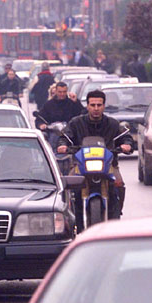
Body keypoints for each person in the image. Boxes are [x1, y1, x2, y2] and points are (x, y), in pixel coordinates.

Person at [57, 90, 133, 220]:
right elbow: (65, 136)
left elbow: (125, 137)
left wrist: (127, 145)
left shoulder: (113, 124)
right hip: (80, 165)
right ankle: (68, 215)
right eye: (92, 105)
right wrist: (63, 145)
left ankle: (116, 213)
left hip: (109, 165)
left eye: (99, 105)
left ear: (104, 106)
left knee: (118, 183)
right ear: (87, 106)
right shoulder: (76, 123)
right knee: (68, 185)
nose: (96, 108)